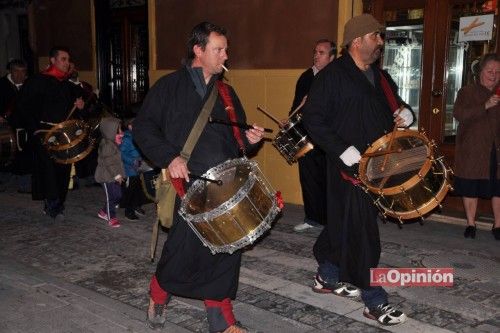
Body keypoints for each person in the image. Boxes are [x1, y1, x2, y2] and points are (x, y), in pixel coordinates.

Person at [133, 22, 265, 333]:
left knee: (226, 246)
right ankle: (159, 290)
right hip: (186, 184)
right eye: (219, 49)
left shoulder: (226, 93)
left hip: (225, 184)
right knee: (184, 247)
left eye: (225, 49)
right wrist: (170, 157)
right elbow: (144, 128)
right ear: (198, 50)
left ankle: (220, 316)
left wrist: (251, 139)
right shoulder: (168, 87)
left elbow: (238, 140)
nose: (225, 55)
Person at [302, 14, 414, 326]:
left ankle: (327, 273)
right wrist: (342, 149)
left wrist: (406, 113)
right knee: (363, 232)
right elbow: (313, 119)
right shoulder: (332, 76)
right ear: (357, 41)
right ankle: (374, 299)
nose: (380, 42)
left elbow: (398, 106)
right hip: (347, 168)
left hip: (378, 166)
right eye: (375, 37)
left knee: (345, 224)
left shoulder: (379, 76)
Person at [15, 46, 85, 221]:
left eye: (68, 60)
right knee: (48, 169)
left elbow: (76, 112)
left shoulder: (68, 85)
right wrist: (34, 129)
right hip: (43, 133)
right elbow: (23, 107)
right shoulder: (36, 81)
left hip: (64, 134)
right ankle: (52, 203)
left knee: (63, 168)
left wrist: (80, 106)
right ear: (52, 60)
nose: (67, 63)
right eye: (63, 59)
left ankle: (58, 202)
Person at [453, 53, 500, 240]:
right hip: (473, 149)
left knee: (498, 187)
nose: (494, 75)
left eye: (498, 72)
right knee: (471, 186)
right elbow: (459, 114)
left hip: (496, 149)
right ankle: (471, 224)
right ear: (480, 72)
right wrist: (485, 105)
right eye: (490, 71)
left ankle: (498, 225)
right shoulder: (467, 92)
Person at [291, 39, 336, 232]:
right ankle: (312, 218)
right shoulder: (306, 77)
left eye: (322, 52)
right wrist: (293, 116)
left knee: (329, 180)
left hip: (328, 138)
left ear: (332, 57)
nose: (316, 55)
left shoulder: (336, 77)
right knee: (308, 178)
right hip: (307, 136)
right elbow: (295, 108)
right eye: (315, 52)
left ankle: (331, 221)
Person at [0, 59, 28, 189]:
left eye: (23, 72)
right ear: (10, 71)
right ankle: (5, 179)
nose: (20, 75)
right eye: (16, 71)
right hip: (5, 126)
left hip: (24, 125)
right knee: (5, 154)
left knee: (24, 153)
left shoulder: (29, 84)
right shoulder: (1, 85)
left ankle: (23, 182)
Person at [95, 117, 124, 228]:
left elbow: (117, 161)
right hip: (106, 176)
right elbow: (109, 162)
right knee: (110, 197)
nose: (121, 133)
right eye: (118, 130)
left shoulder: (113, 143)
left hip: (115, 175)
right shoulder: (107, 145)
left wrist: (120, 174)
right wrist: (117, 175)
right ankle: (111, 217)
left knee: (118, 195)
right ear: (110, 131)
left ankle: (103, 212)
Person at [119, 117, 146, 220]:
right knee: (130, 190)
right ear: (130, 126)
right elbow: (121, 154)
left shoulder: (137, 136)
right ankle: (128, 211)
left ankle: (136, 206)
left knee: (138, 189)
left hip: (139, 168)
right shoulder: (127, 138)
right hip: (130, 170)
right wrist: (133, 161)